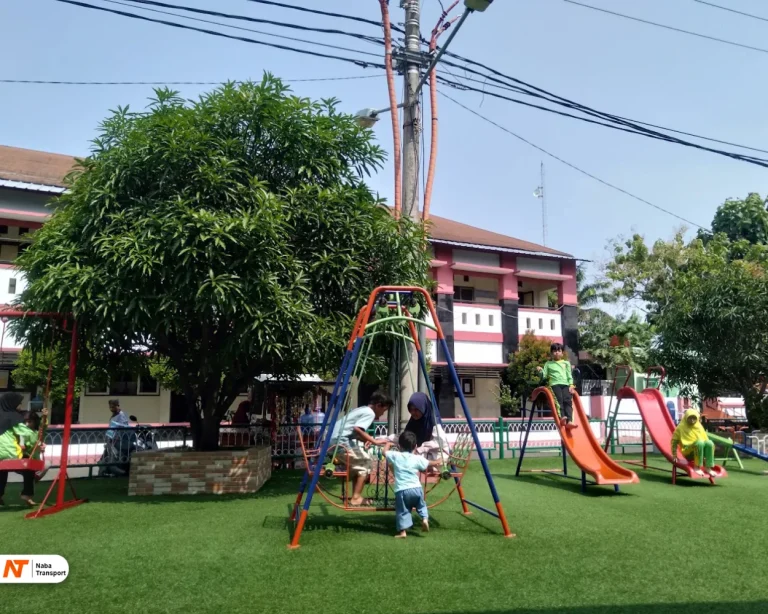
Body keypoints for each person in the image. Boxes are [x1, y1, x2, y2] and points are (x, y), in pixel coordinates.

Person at [329, 391, 393, 506]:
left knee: (358, 466)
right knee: (366, 462)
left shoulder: (361, 409)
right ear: (378, 405)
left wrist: (366, 440)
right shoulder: (370, 413)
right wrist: (375, 441)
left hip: (333, 440)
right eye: (384, 410)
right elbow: (358, 429)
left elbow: (354, 432)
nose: (383, 413)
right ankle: (356, 497)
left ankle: (355, 495)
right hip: (341, 441)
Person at [382, 431, 441, 538]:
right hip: (416, 489)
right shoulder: (417, 458)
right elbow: (429, 463)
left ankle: (403, 532)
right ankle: (424, 519)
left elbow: (384, 452)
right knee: (421, 505)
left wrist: (388, 444)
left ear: (399, 446)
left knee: (403, 511)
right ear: (416, 446)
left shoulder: (396, 455)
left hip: (402, 490)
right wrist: (438, 461)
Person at [0, 392, 37, 506]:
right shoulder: (14, 416)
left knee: (2, 471)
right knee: (29, 467)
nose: (20, 406)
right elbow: (26, 434)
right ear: (12, 404)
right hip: (10, 453)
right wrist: (36, 440)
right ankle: (27, 493)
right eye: (19, 403)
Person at [401, 392, 450, 467]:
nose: (413, 413)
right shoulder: (414, 421)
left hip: (437, 456)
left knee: (408, 460)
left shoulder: (434, 422)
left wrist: (420, 449)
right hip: (423, 455)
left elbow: (439, 442)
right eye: (411, 410)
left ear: (423, 407)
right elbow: (406, 436)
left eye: (416, 410)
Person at [536, 343, 577, 430]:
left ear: (562, 353)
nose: (557, 353)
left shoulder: (566, 363)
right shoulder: (548, 364)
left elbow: (569, 375)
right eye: (554, 351)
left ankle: (569, 421)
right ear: (551, 353)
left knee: (568, 401)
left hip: (565, 384)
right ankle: (562, 418)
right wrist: (540, 371)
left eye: (559, 351)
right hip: (554, 384)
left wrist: (571, 385)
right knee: (559, 401)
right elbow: (545, 376)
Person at [671, 408, 717, 477]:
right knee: (699, 443)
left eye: (694, 418)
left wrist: (707, 451)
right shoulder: (680, 428)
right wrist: (674, 455)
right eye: (690, 418)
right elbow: (674, 441)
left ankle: (708, 467)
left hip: (700, 450)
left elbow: (706, 439)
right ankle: (697, 467)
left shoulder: (699, 426)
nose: (692, 420)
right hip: (688, 452)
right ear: (686, 417)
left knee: (709, 443)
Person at [17, 409, 50, 482]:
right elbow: (24, 445)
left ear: (35, 422)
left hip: (34, 461)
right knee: (29, 475)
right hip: (24, 460)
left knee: (47, 464)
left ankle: (35, 477)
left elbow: (43, 426)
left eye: (29, 422)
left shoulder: (37, 432)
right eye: (25, 422)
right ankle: (33, 478)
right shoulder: (22, 432)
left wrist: (44, 417)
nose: (27, 424)